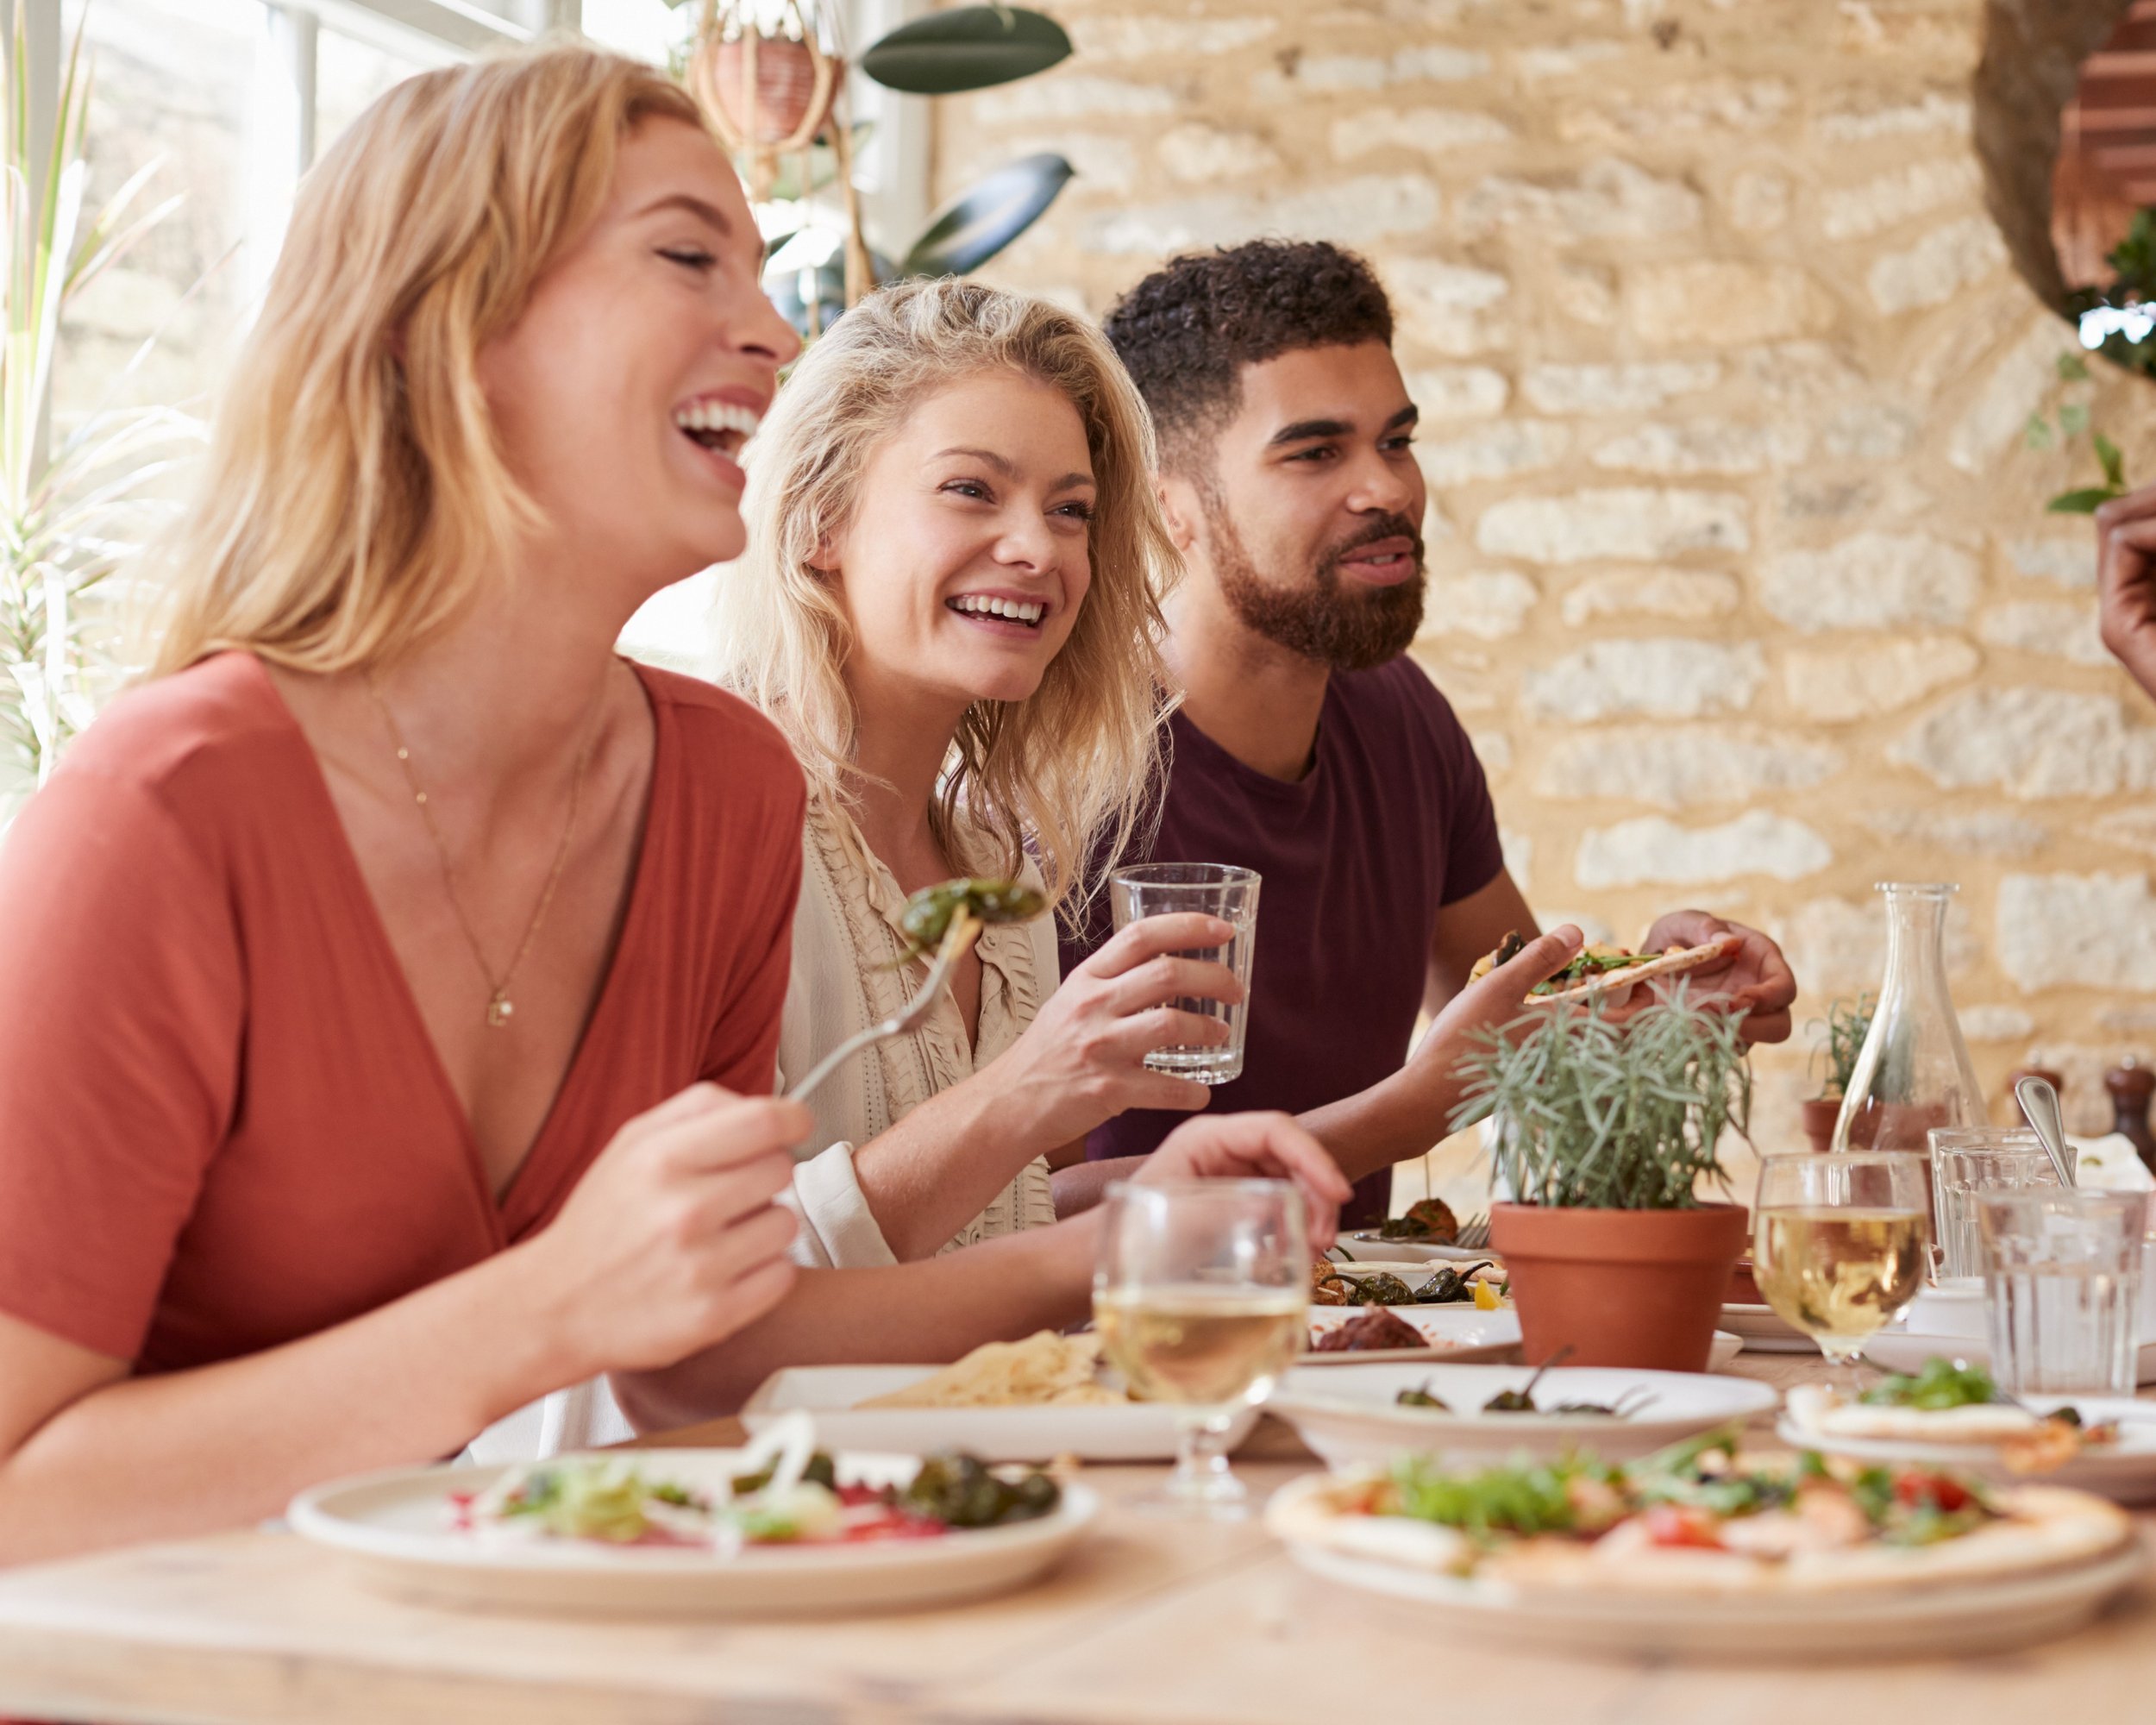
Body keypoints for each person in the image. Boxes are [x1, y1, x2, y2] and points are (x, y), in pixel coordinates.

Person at [0, 46, 1349, 1565]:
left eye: (760, 272)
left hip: (522, 1633)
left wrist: (1128, 1238)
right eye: (685, 256)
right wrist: (548, 1306)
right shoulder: (167, 810)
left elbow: (704, 1348)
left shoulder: (717, 790)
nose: (773, 332)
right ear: (456, 325)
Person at [1056, 240, 1801, 1226]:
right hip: (1120, 1355)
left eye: (1396, 440)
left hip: (1361, 1345)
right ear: (1169, 508)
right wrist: (1399, 1118)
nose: (1389, 489)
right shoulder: (1056, 782)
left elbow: (1530, 1041)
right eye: (1317, 452)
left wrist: (1656, 1004)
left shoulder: (1401, 716)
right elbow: (1014, 1217)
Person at [710, 277, 1262, 1266]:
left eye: (1070, 509)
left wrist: (1166, 1187)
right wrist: (1031, 1086)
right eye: (971, 489)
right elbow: (709, 1287)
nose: (1035, 548)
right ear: (817, 519)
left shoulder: (994, 863)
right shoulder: (718, 822)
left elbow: (984, 1223)